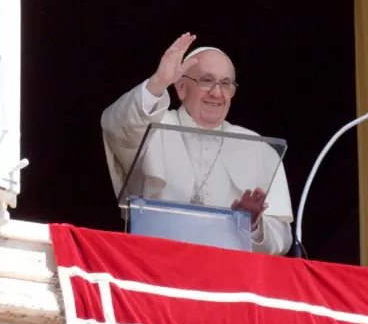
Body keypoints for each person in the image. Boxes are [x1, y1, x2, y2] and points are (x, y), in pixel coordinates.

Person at [101, 33, 293, 255]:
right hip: (156, 262)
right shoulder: (152, 125)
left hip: (228, 275)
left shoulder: (259, 148)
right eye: (206, 80)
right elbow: (116, 125)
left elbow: (282, 239)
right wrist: (159, 82)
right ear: (181, 88)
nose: (216, 93)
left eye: (225, 84)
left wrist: (251, 225)